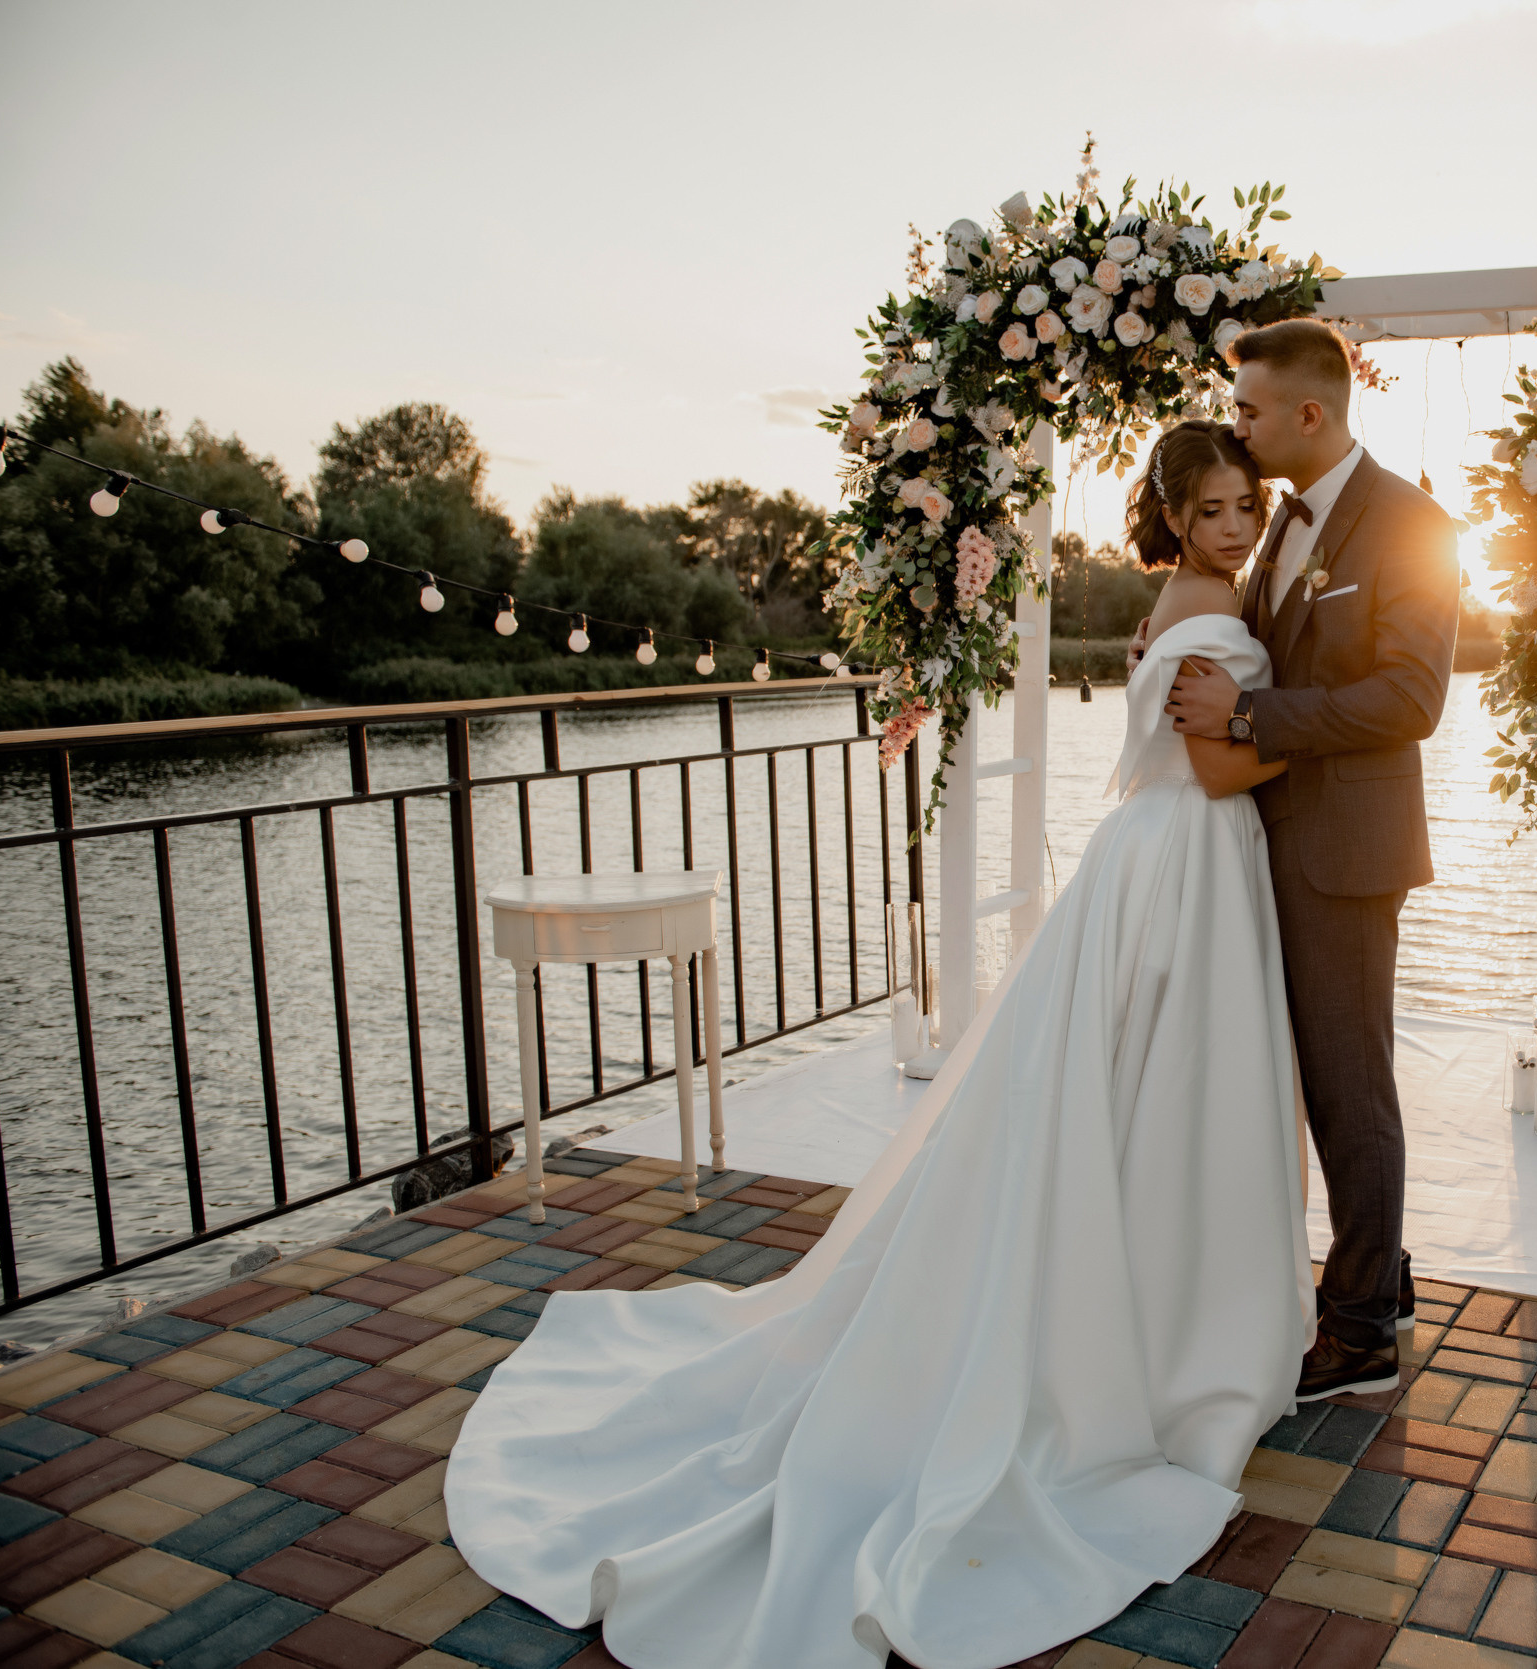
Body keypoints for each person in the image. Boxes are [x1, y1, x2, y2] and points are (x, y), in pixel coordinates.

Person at [446, 422, 1312, 1669]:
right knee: (1165, 1096)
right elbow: (1223, 775)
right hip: (1184, 864)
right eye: (1215, 508)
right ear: (1176, 517)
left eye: (1247, 504)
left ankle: (1165, 1317)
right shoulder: (1208, 615)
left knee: (1139, 1101)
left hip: (1157, 867)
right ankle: (1163, 1339)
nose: (1234, 524)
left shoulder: (1180, 600)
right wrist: (1335, 736)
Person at [1154, 318, 1461, 1402]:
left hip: (1343, 851)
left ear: (1308, 413)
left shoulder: (1410, 525)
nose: (1236, 425)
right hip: (1269, 838)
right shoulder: (1283, 520)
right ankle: (1385, 1274)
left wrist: (1250, 712)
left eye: (1247, 410)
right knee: (1317, 1082)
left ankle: (1364, 1326)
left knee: (1350, 1089)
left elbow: (1409, 700)